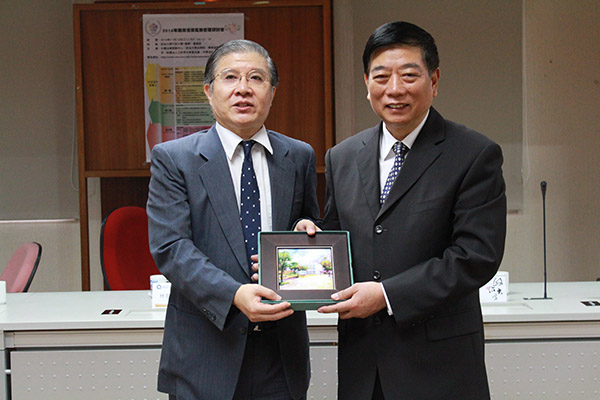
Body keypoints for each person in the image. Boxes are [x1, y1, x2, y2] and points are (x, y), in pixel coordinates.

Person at [297, 21, 506, 399]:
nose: (394, 89)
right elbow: (340, 242)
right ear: (366, 83)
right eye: (381, 76)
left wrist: (387, 295)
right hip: (363, 364)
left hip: (440, 366)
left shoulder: (473, 154)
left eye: (409, 75)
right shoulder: (342, 157)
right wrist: (309, 244)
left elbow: (476, 256)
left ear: (434, 80)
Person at [147, 39, 320, 400]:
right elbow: (171, 247)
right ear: (209, 91)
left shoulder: (298, 155)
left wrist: (305, 232)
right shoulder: (174, 158)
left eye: (256, 78)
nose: (243, 88)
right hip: (206, 351)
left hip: (281, 354)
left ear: (272, 92)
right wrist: (234, 294)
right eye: (230, 77)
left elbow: (308, 219)